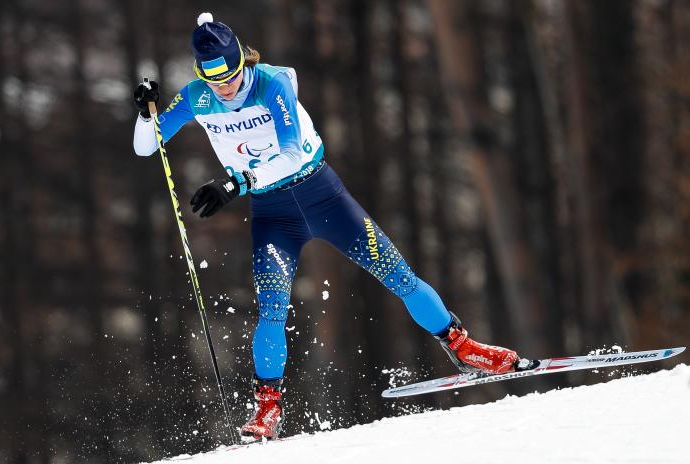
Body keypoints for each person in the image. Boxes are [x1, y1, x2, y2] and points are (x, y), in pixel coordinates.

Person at [132, 12, 523, 441]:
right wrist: (145, 112)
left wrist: (235, 181)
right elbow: (146, 147)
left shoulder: (272, 83)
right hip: (274, 215)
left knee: (400, 277)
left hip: (323, 197)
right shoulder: (196, 96)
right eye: (212, 79)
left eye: (229, 76)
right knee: (272, 311)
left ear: (242, 61)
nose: (223, 89)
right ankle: (267, 409)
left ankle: (464, 348)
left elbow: (290, 154)